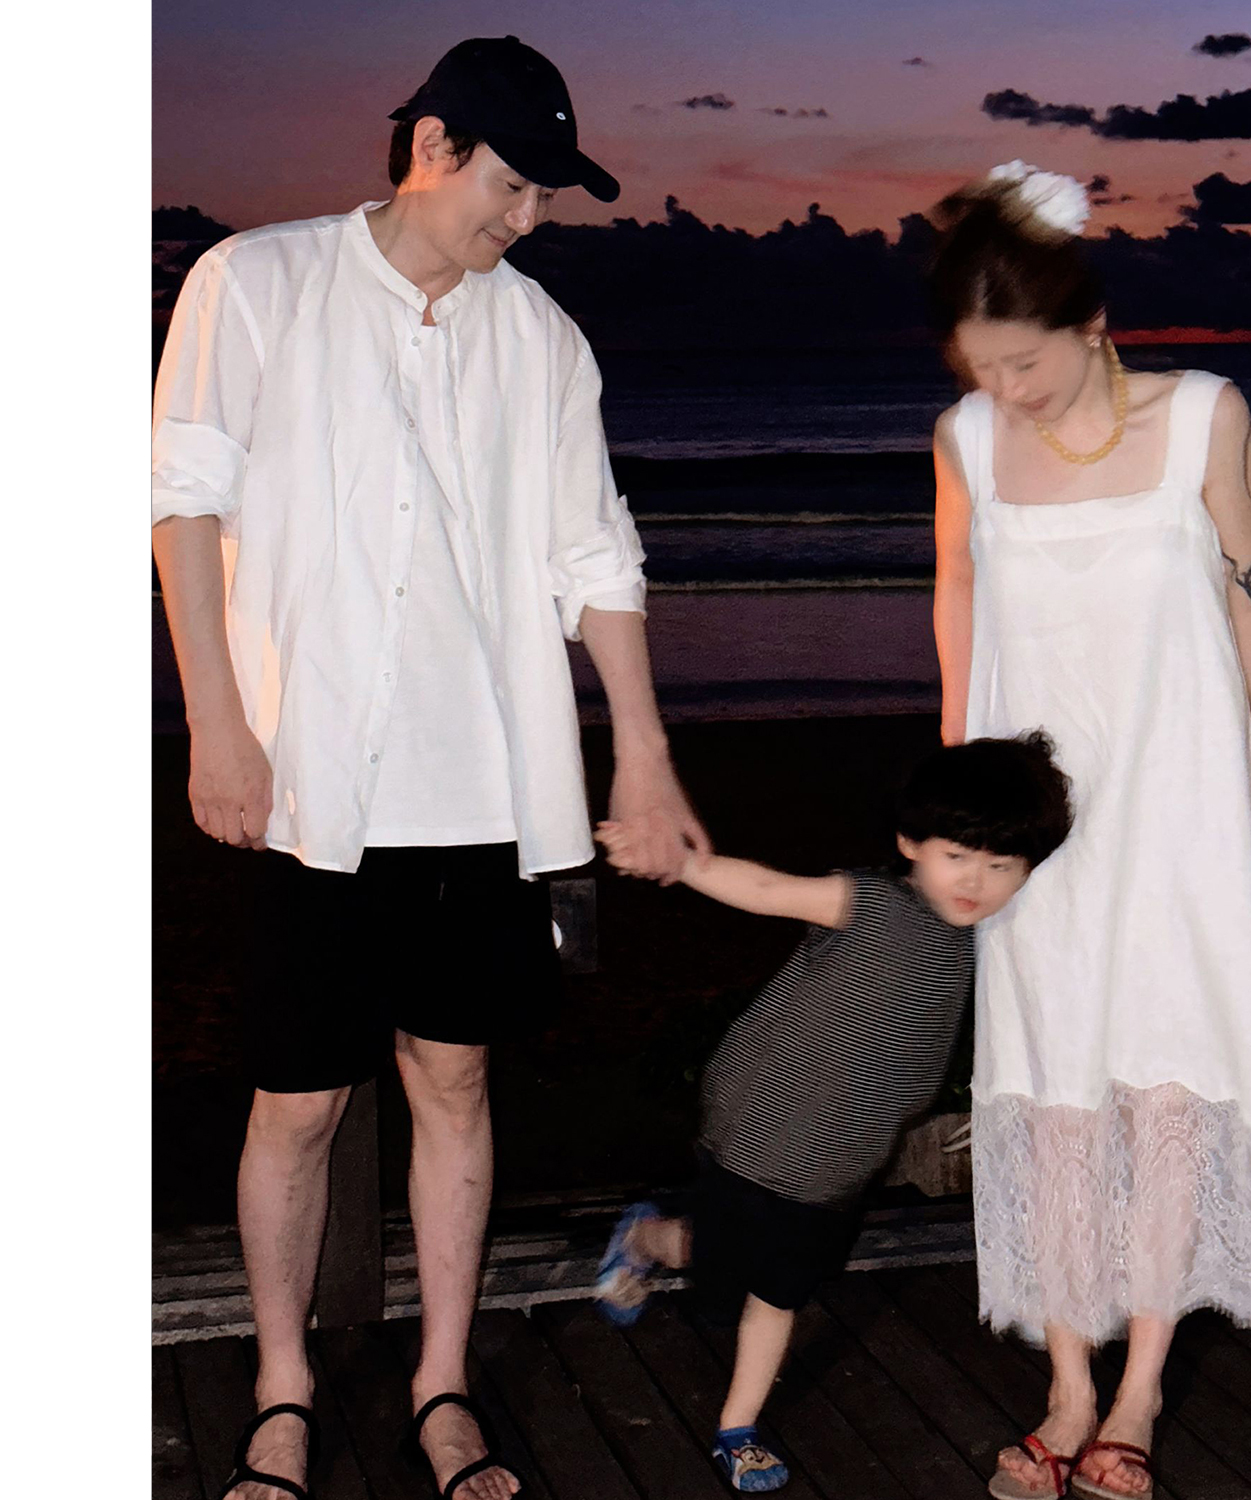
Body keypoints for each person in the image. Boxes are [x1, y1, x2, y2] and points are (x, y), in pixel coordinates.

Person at [152, 37, 707, 1500]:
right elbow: (184, 506)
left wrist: (642, 758)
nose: (528, 219)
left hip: (485, 785)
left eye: (544, 198)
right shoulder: (253, 283)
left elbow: (596, 558)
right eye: (514, 186)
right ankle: (280, 1388)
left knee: (455, 1080)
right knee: (297, 1101)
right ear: (433, 147)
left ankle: (441, 1381)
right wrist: (219, 720)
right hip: (312, 783)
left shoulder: (544, 340)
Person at [927, 162, 1251, 1500]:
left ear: (1091, 323)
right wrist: (957, 798)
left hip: (1180, 796)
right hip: (1035, 821)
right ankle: (1066, 1383)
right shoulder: (966, 440)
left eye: (1025, 362)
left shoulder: (1205, 413)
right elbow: (955, 600)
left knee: (1166, 1083)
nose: (1008, 391)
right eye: (983, 367)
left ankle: (1140, 1390)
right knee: (1054, 1086)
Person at [592, 735, 1073, 1493]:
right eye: (957, 856)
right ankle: (647, 1235)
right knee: (718, 1268)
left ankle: (736, 1428)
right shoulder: (874, 903)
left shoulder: (985, 940)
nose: (975, 881)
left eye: (1001, 867)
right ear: (910, 842)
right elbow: (766, 888)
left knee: (780, 1290)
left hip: (839, 1168)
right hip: (756, 1129)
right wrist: (680, 863)